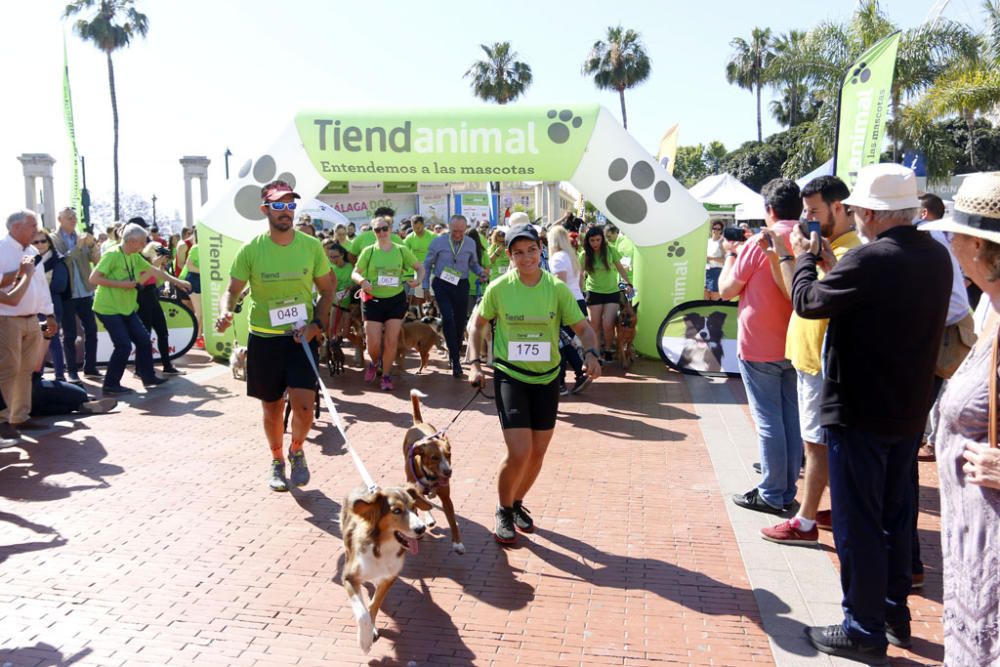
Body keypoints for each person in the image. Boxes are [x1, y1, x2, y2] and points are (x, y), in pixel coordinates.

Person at [792, 164, 952, 664]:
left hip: (859, 410)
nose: (856, 216)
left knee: (858, 522)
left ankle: (862, 627)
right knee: (894, 516)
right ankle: (891, 614)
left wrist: (803, 260)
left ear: (874, 213)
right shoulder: (936, 257)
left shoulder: (872, 257)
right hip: (905, 410)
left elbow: (808, 302)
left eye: (860, 209)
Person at [468, 223, 602, 544]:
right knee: (519, 452)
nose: (526, 257)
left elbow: (583, 328)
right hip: (511, 375)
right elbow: (477, 325)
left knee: (537, 454)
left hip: (547, 378)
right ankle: (502, 509)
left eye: (531, 250)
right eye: (518, 252)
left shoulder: (556, 289)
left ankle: (515, 504)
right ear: (510, 256)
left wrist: (592, 353)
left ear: (540, 251)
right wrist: (474, 364)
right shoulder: (499, 288)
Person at [918, 171, 1000, 665]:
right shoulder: (991, 310)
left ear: (977, 244)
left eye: (954, 234)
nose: (948, 242)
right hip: (976, 554)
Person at [757, 176, 861, 546]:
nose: (807, 217)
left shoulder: (849, 253)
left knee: (816, 443)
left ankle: (804, 521)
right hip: (808, 359)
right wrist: (781, 255)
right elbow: (796, 294)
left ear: (839, 208)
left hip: (822, 362)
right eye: (805, 210)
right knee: (814, 441)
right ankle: (828, 509)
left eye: (814, 211)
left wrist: (800, 256)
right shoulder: (827, 247)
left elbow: (815, 300)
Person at [216, 180, 335, 492]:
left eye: (291, 204)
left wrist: (316, 326)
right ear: (265, 209)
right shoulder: (251, 249)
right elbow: (231, 291)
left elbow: (327, 288)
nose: (286, 211)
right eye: (279, 205)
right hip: (265, 339)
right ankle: (277, 459)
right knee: (272, 408)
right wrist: (225, 311)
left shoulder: (311, 247)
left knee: (305, 406)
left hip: (300, 337)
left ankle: (297, 449)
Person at [719, 178, 802, 515]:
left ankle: (771, 491)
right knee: (790, 418)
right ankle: (786, 488)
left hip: (759, 344)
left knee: (769, 420)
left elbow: (726, 289)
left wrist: (730, 257)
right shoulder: (810, 237)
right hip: (797, 342)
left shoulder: (761, 240)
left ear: (769, 210)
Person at [90, 223, 190, 396]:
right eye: (143, 241)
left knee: (144, 340)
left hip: (127, 308)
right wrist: (122, 285)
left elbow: (154, 272)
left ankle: (148, 376)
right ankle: (111, 385)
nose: (145, 244)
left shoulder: (134, 256)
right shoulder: (112, 255)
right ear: (133, 241)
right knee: (123, 345)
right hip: (108, 308)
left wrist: (178, 282)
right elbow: (94, 278)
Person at [0, 210, 58, 439]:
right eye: (32, 225)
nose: (36, 230)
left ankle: (20, 417)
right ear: (15, 227)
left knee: (26, 370)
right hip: (7, 318)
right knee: (8, 369)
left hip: (32, 318)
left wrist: (49, 314)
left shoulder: (33, 251)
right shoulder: (2, 249)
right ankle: (3, 418)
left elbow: (42, 285)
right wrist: (20, 273)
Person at [351, 215, 424, 390]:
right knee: (373, 343)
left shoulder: (400, 250)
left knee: (391, 341)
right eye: (378, 229)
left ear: (390, 230)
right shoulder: (368, 251)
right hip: (373, 300)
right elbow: (355, 272)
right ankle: (375, 362)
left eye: (385, 228)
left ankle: (386, 375)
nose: (382, 232)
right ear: (373, 232)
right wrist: (362, 281)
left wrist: (418, 279)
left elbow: (419, 267)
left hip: (395, 300)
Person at [423, 214, 488, 378]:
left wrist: (481, 273)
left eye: (461, 231)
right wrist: (424, 286)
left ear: (466, 229)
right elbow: (427, 264)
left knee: (460, 322)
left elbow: (473, 263)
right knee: (448, 318)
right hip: (442, 284)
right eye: (454, 231)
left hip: (461, 284)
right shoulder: (438, 242)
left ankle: (455, 348)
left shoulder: (471, 243)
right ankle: (455, 360)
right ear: (448, 228)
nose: (458, 234)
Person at [49, 207, 102, 381]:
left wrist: (93, 245)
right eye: (69, 217)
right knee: (70, 334)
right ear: (60, 219)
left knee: (92, 330)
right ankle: (71, 370)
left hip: (85, 291)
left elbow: (96, 261)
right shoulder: (53, 239)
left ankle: (91, 367)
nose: (73, 220)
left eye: (74, 217)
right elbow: (63, 261)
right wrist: (78, 247)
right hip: (67, 293)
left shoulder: (82, 237)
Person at [547, 225, 590, 395]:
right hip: (577, 300)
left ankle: (561, 382)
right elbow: (578, 282)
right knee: (566, 342)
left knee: (559, 343)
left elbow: (560, 285)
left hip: (566, 303)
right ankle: (579, 373)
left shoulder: (557, 258)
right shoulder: (570, 256)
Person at [581, 226, 631, 362]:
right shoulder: (584, 255)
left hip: (611, 293)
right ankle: (596, 353)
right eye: (592, 240)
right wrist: (579, 290)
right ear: (588, 241)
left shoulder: (610, 250)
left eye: (598, 240)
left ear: (602, 239)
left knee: (608, 325)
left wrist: (628, 283)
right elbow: (580, 274)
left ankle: (608, 349)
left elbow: (620, 268)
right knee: (594, 326)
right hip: (593, 293)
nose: (595, 243)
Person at [139, 241, 184, 375]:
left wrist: (161, 267)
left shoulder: (154, 263)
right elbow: (140, 279)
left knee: (162, 332)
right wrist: (155, 264)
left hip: (153, 295)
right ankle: (140, 368)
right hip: (142, 297)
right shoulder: (141, 259)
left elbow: (158, 281)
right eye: (159, 252)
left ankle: (167, 365)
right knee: (144, 335)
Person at [35, 230, 72, 382]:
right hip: (33, 306)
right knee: (38, 342)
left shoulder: (57, 260)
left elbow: (60, 286)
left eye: (43, 241)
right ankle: (37, 374)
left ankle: (59, 375)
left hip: (51, 306)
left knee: (52, 339)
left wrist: (38, 285)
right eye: (35, 242)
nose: (40, 245)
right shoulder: (28, 260)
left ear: (49, 242)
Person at [402, 215, 436, 306]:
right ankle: (421, 316)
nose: (417, 229)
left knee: (432, 295)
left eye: (419, 226)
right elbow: (404, 254)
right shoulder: (409, 238)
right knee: (419, 296)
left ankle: (434, 314)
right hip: (418, 270)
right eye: (414, 227)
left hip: (432, 269)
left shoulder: (432, 236)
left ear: (423, 225)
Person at [323, 240, 354, 340]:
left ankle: (359, 345)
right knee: (332, 331)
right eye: (330, 257)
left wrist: (352, 287)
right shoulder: (330, 268)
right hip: (336, 303)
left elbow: (358, 282)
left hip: (349, 304)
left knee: (345, 333)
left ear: (342, 255)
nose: (332, 260)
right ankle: (333, 350)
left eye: (335, 257)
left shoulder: (351, 267)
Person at [705, 221, 725, 300]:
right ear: (711, 229)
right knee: (705, 297)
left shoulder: (722, 243)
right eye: (714, 228)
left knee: (715, 298)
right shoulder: (707, 241)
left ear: (721, 231)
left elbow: (725, 260)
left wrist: (711, 258)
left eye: (718, 229)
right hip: (705, 271)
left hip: (716, 271)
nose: (716, 230)